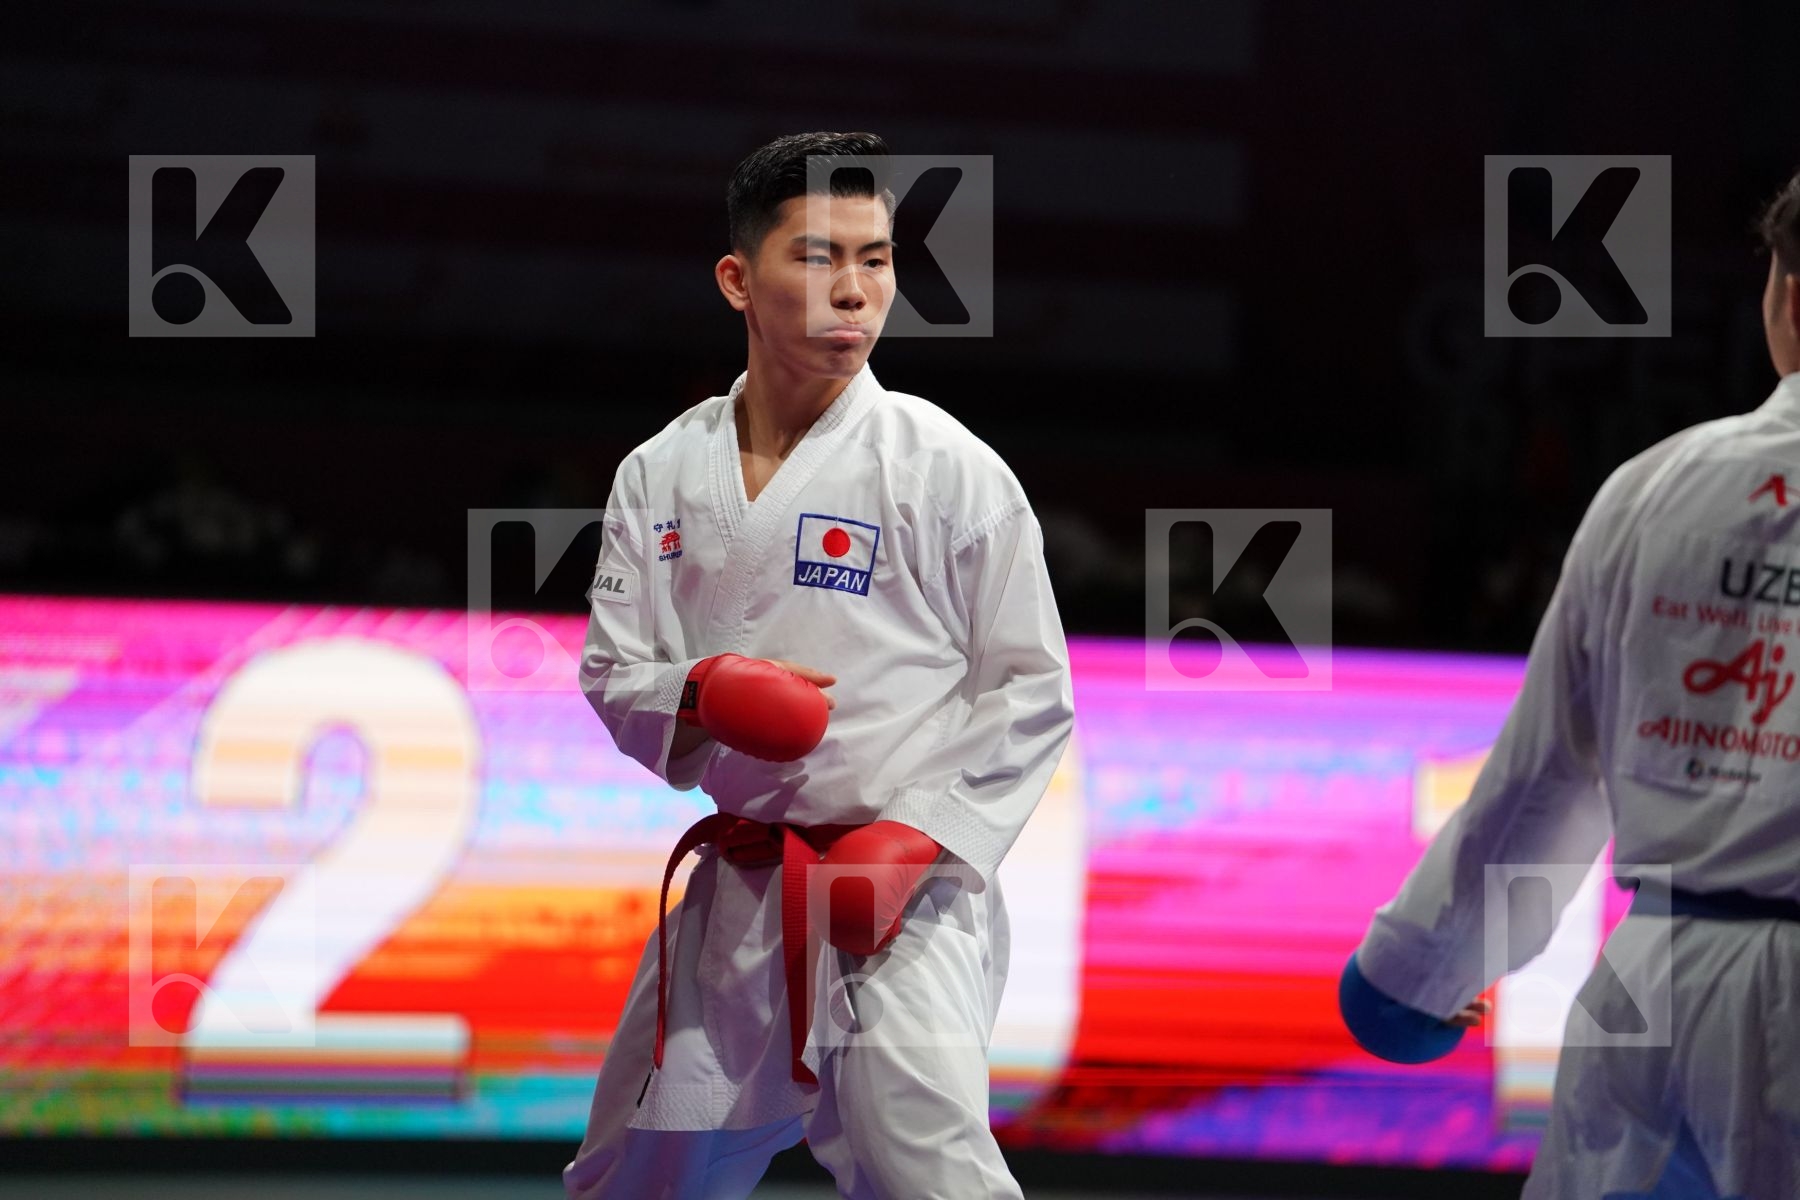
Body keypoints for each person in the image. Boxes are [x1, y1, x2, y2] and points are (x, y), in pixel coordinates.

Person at [562, 131, 1074, 1200]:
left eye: (875, 259)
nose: (854, 290)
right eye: (817, 257)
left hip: (901, 902)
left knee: (927, 1176)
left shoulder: (947, 468)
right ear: (737, 280)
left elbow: (1031, 688)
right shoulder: (661, 471)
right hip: (741, 886)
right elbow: (612, 671)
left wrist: (918, 835)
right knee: (642, 1176)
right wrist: (698, 693)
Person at [1340, 171, 1800, 1197]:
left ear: (1792, 299)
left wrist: (1413, 979)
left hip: (1662, 990)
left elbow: (1546, 781)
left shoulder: (1654, 490)